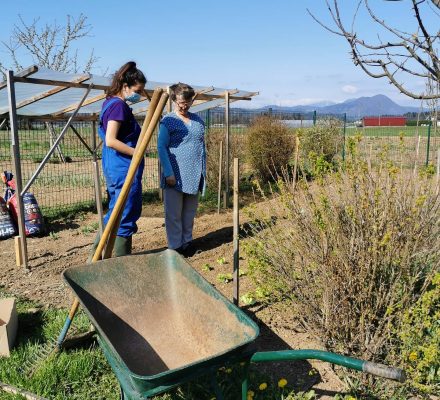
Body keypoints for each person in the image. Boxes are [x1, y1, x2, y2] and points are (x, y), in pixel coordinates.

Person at [89, 61, 147, 260]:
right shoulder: (119, 106)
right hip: (123, 167)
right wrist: (136, 152)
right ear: (125, 86)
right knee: (125, 216)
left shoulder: (109, 103)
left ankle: (95, 260)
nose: (140, 94)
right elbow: (111, 140)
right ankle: (122, 263)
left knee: (116, 213)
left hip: (115, 165)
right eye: (138, 90)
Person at [157, 83, 206, 256]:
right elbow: (161, 147)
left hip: (194, 173)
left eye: (186, 102)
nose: (183, 106)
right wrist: (168, 172)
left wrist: (202, 173)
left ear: (191, 101)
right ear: (174, 100)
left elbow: (201, 146)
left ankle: (187, 243)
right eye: (179, 103)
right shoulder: (168, 121)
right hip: (174, 174)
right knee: (173, 214)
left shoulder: (198, 120)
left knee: (189, 212)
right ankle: (175, 247)